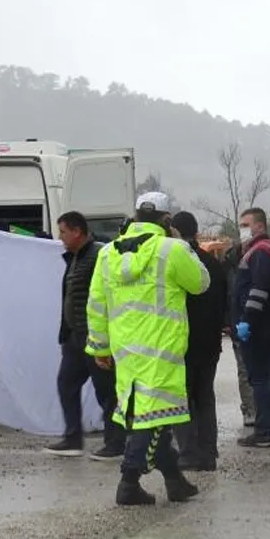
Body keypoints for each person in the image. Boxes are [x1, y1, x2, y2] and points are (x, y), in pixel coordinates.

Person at [87, 192, 207, 506]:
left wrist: (100, 348)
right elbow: (200, 283)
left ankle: (175, 481)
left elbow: (96, 304)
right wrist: (184, 245)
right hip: (162, 351)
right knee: (152, 419)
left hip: (126, 352)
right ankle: (128, 481)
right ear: (167, 220)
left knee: (149, 415)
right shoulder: (172, 249)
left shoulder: (107, 254)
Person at [171, 211, 227, 472]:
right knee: (205, 396)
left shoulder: (177, 262)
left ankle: (188, 452)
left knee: (182, 397)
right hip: (210, 342)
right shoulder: (213, 263)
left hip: (184, 342)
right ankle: (208, 450)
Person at [47, 211, 104, 457]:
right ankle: (72, 439)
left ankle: (116, 442)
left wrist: (102, 336)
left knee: (106, 391)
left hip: (94, 337)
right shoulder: (75, 258)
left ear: (77, 231)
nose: (60, 237)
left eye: (63, 232)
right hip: (74, 338)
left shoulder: (98, 256)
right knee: (66, 384)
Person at [232, 207, 270, 447]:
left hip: (258, 326)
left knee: (260, 380)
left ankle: (264, 431)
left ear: (260, 226)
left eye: (246, 225)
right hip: (268, 324)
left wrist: (247, 319)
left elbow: (258, 289)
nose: (242, 230)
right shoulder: (267, 249)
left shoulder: (260, 252)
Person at [228, 225, 258, 426]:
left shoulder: (260, 258)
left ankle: (261, 409)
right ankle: (250, 409)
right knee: (244, 370)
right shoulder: (230, 265)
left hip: (257, 322)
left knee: (261, 370)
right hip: (238, 323)